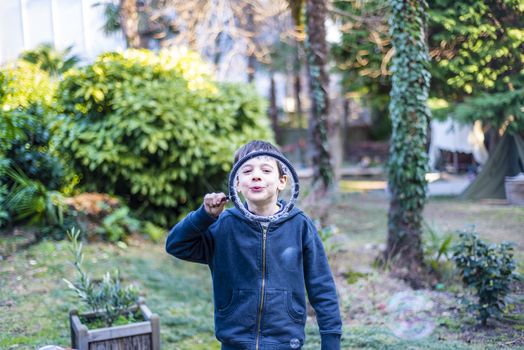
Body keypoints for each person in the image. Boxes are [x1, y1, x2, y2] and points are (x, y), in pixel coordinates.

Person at [166, 140, 342, 350]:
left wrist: (331, 341)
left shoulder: (300, 225)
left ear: (282, 181)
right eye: (247, 170)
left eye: (266, 170)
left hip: (285, 342)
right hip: (235, 342)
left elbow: (322, 286)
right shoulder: (224, 225)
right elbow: (176, 245)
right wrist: (204, 217)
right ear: (237, 183)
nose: (256, 175)